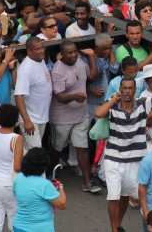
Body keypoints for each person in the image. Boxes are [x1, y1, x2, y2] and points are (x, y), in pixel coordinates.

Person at [96, 73, 152, 232]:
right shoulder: (112, 104)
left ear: (135, 90)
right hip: (113, 159)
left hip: (135, 161)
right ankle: (114, 230)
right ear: (120, 89)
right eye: (124, 88)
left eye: (130, 88)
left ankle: (118, 225)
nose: (127, 91)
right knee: (113, 196)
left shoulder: (143, 103)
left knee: (126, 196)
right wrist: (114, 99)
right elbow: (99, 114)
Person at [50, 40, 100, 192]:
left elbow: (92, 76)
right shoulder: (58, 70)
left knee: (82, 147)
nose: (73, 55)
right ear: (62, 54)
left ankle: (87, 182)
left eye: (74, 51)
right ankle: (50, 177)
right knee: (57, 148)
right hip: (62, 117)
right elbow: (60, 96)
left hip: (81, 114)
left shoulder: (79, 61)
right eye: (69, 53)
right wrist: (74, 97)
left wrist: (91, 56)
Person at [0, 104, 23, 232]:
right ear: (16, 120)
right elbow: (17, 166)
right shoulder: (17, 139)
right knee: (14, 219)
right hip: (9, 183)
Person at [13, 147, 67, 232]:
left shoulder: (18, 178)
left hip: (19, 226)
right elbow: (62, 204)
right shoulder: (45, 184)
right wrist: (60, 187)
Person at [15, 36, 52, 149]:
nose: (41, 51)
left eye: (42, 47)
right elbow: (18, 96)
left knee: (31, 152)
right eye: (37, 49)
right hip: (31, 119)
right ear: (29, 51)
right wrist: (27, 121)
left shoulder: (40, 61)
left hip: (41, 117)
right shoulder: (26, 69)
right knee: (35, 153)